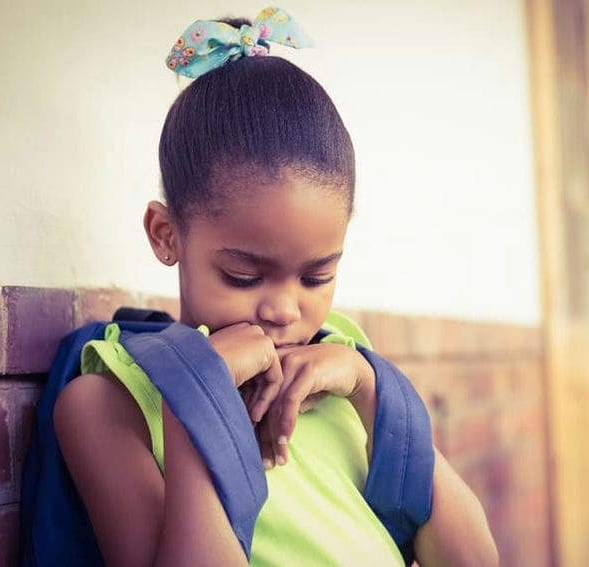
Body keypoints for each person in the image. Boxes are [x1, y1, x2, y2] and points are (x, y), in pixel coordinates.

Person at [52, 9, 497, 567]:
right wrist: (198, 399)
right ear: (167, 235)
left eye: (317, 277)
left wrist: (370, 387)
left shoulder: (338, 369)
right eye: (243, 276)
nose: (286, 311)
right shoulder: (109, 402)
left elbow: (472, 558)